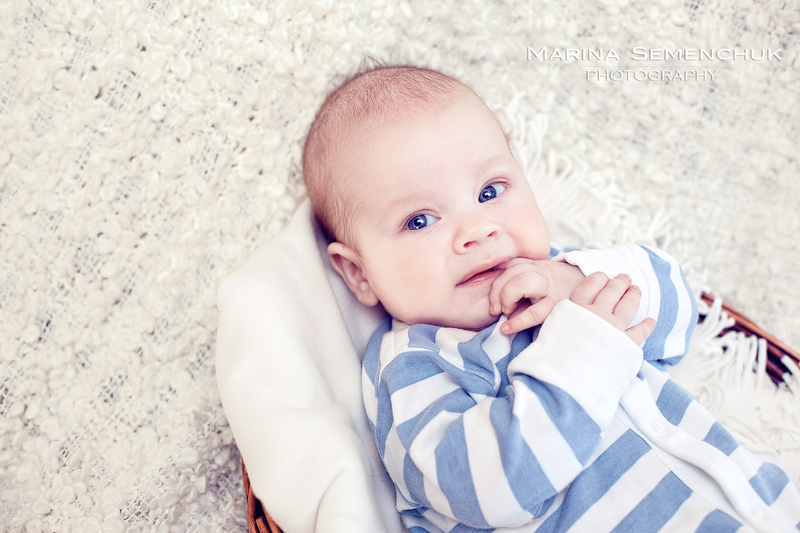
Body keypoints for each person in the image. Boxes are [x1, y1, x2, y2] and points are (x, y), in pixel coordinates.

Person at [301, 64, 800, 532]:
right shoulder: (415, 366)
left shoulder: (563, 273)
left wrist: (572, 279)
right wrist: (582, 351)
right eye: (420, 221)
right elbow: (484, 488)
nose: (476, 230)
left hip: (759, 504)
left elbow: (680, 317)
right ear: (359, 273)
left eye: (490, 191)